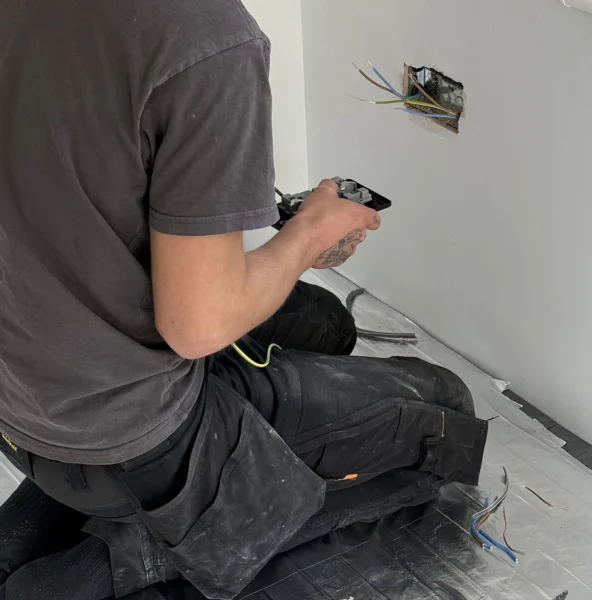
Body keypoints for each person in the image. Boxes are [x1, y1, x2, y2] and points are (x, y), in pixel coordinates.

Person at [0, 2, 488, 599]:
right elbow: (199, 325)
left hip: (23, 394)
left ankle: (21, 535)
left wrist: (299, 242)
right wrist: (307, 234)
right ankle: (91, 570)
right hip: (136, 433)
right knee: (447, 412)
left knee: (327, 326)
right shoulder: (206, 39)